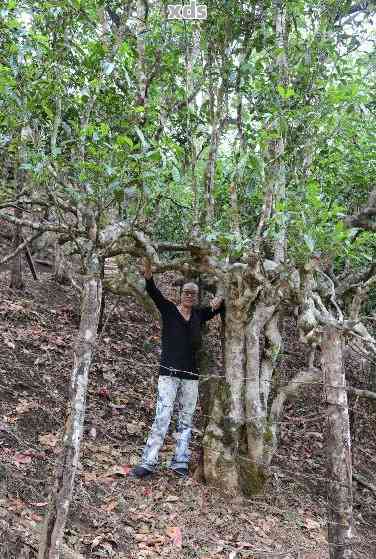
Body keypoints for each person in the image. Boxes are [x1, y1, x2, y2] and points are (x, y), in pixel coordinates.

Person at [131, 258, 225, 478]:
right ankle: (148, 461)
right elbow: (154, 292)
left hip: (191, 376)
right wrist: (148, 275)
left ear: (197, 296)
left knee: (186, 418)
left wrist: (221, 295)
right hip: (169, 374)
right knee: (162, 416)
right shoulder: (170, 310)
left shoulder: (200, 315)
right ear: (180, 294)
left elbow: (218, 305)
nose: (189, 296)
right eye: (186, 292)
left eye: (193, 293)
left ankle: (179, 461)